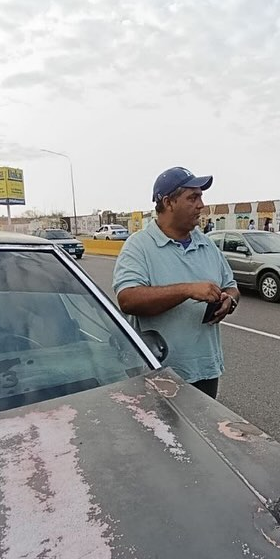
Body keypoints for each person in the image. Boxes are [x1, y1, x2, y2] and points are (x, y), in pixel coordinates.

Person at [113, 167, 240, 399]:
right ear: (168, 202)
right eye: (193, 198)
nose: (201, 205)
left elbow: (231, 286)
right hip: (158, 373)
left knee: (203, 424)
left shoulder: (207, 244)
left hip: (205, 370)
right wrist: (187, 290)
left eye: (201, 197)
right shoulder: (139, 246)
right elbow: (128, 299)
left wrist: (229, 300)